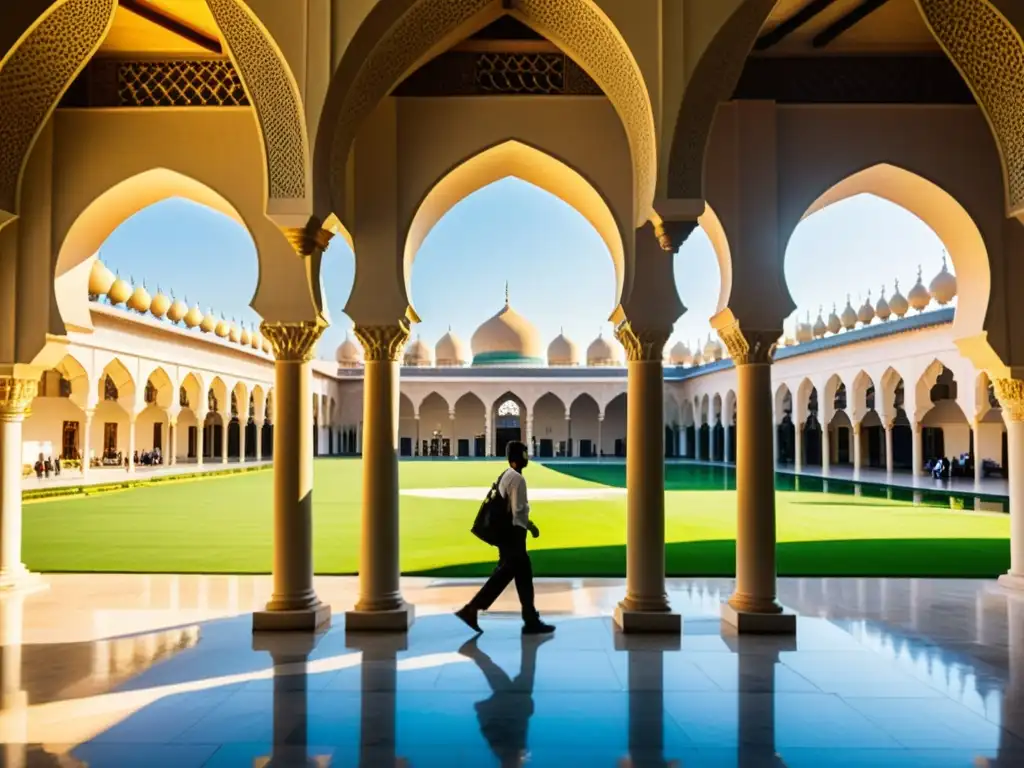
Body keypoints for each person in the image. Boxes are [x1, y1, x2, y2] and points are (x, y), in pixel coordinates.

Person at [456, 440, 554, 635]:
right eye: (524, 454)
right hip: (513, 534)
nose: (527, 457)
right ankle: (472, 608)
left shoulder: (506, 475)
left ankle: (530, 618)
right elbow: (518, 511)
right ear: (519, 458)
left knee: (521, 573)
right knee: (507, 572)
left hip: (505, 534)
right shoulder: (517, 479)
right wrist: (530, 527)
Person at [459, 633, 551, 766]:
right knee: (521, 682)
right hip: (512, 707)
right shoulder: (507, 751)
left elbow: (501, 726)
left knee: (518, 683)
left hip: (507, 707)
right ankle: (529, 646)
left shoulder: (508, 751)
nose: (524, 760)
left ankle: (529, 645)